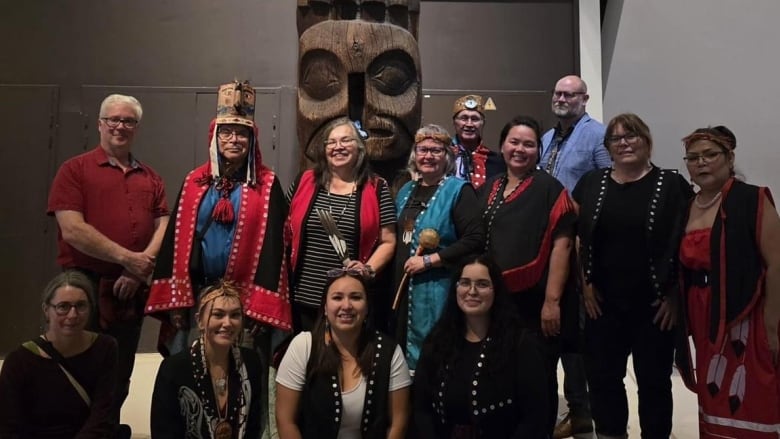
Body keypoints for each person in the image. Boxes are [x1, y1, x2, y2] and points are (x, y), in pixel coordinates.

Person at [46, 93, 169, 435]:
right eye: (113, 119)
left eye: (128, 121)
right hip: (83, 285)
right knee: (76, 367)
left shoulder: (150, 177)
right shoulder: (74, 170)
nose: (120, 126)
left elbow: (164, 222)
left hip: (130, 289)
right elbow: (72, 229)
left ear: (137, 127)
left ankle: (107, 429)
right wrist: (129, 259)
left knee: (119, 368)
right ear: (100, 124)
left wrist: (136, 270)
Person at [146, 80, 291, 350]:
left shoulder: (267, 184)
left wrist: (263, 306)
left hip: (245, 305)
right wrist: (177, 301)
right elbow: (175, 244)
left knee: (245, 375)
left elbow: (275, 251)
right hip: (199, 298)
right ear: (214, 137)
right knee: (195, 371)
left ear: (252, 140)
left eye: (241, 134)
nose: (234, 140)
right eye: (226, 133)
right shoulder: (194, 182)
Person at [572, 113, 692, 439]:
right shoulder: (592, 183)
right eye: (616, 138)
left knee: (653, 382)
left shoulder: (671, 185)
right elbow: (579, 238)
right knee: (602, 378)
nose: (624, 143)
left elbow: (685, 242)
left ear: (646, 141)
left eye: (632, 135)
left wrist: (673, 297)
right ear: (607, 147)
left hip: (654, 306)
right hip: (603, 304)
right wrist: (585, 286)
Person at [677, 125, 780, 438]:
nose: (702, 163)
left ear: (729, 157)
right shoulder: (687, 206)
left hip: (747, 314)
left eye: (710, 155)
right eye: (693, 158)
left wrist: (773, 325)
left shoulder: (752, 200)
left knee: (752, 389)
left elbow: (777, 263)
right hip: (702, 312)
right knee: (713, 388)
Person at [478, 115, 577, 434]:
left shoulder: (550, 188)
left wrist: (552, 302)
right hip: (495, 302)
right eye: (514, 142)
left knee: (536, 378)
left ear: (539, 149)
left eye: (529, 144)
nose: (520, 149)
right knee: (500, 375)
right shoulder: (491, 186)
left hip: (533, 303)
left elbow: (562, 246)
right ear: (503, 145)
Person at [540, 75, 611, 438]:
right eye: (558, 93)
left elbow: (605, 184)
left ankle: (582, 411)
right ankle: (560, 407)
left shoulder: (597, 136)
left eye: (569, 94)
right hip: (547, 245)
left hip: (579, 244)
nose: (562, 98)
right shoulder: (547, 139)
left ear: (584, 99)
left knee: (574, 333)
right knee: (552, 330)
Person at [414, 255, 550, 438]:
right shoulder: (437, 341)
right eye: (464, 283)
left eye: (482, 284)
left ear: (496, 291)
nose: (472, 291)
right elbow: (421, 409)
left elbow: (535, 417)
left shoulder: (520, 344)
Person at [287, 117, 397, 332]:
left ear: (359, 148)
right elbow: (284, 231)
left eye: (346, 140)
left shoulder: (376, 187)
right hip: (302, 296)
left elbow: (388, 240)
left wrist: (368, 269)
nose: (338, 147)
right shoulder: (304, 181)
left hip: (348, 301)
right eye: (332, 142)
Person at [275, 268, 411, 438]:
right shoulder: (303, 346)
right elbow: (286, 420)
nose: (346, 306)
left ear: (367, 307)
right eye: (337, 297)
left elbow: (399, 422)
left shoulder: (390, 352)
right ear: (325, 307)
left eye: (356, 297)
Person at [394, 124, 484, 371]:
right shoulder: (405, 191)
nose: (429, 156)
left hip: (436, 289)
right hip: (400, 290)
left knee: (435, 359)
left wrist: (428, 261)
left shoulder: (458, 190)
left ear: (447, 156)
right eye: (423, 150)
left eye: (436, 151)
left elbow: (475, 239)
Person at [0, 271, 118, 438]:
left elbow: (102, 415)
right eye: (63, 306)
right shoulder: (19, 361)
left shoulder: (105, 348)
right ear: (46, 310)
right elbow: (8, 427)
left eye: (81, 306)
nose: (73, 315)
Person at [151, 281, 263, 438]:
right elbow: (163, 432)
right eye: (218, 314)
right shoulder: (174, 368)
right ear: (199, 321)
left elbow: (253, 428)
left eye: (235, 315)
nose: (227, 323)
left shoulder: (251, 363)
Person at [451, 94, 504, 189]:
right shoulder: (443, 156)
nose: (469, 124)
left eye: (475, 119)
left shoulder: (497, 161)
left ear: (482, 123)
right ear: (454, 122)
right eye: (464, 118)